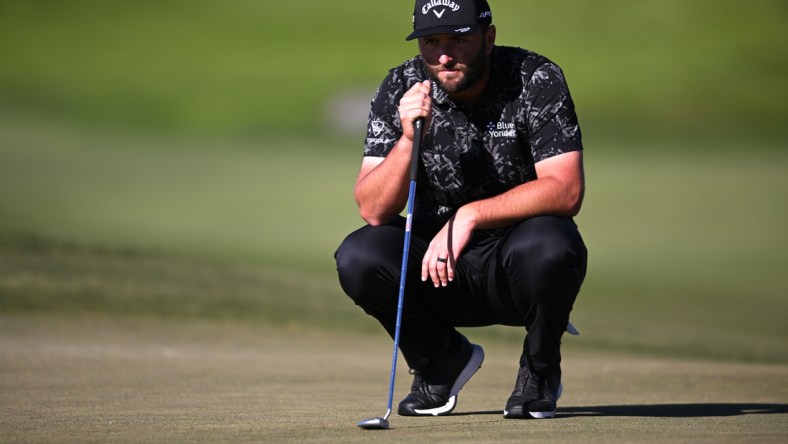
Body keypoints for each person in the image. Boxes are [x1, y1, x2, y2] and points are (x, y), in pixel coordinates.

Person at [335, 0, 587, 420]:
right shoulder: (402, 85)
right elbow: (373, 209)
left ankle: (540, 370)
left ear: (488, 39)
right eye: (432, 42)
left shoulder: (534, 78)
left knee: (551, 245)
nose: (445, 55)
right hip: (437, 268)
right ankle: (441, 359)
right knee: (359, 256)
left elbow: (566, 190)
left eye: (459, 39)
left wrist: (468, 215)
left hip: (515, 265)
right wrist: (408, 139)